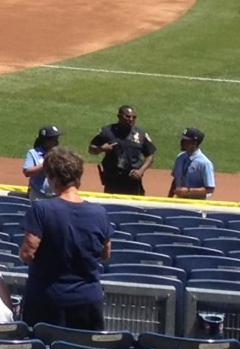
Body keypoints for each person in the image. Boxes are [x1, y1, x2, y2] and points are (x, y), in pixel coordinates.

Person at [19, 147, 112, 330]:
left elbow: (27, 254)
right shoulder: (100, 213)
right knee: (83, 346)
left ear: (52, 177)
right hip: (88, 299)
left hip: (47, 300)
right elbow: (106, 254)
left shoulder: (41, 209)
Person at [89, 105, 155, 195]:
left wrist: (140, 171)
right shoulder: (107, 131)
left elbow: (150, 155)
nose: (131, 119)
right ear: (119, 116)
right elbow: (91, 149)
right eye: (128, 116)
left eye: (134, 117)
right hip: (113, 179)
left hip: (133, 179)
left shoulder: (140, 134)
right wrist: (101, 149)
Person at [168, 127, 215, 201]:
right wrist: (169, 199)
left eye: (185, 140)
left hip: (197, 204)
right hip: (179, 201)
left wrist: (188, 191)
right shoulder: (180, 157)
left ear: (194, 143)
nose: (181, 142)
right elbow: (176, 179)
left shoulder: (205, 163)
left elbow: (210, 189)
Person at [22, 125, 61, 197]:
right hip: (37, 194)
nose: (57, 142)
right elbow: (27, 172)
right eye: (54, 139)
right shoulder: (33, 153)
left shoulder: (61, 154)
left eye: (57, 138)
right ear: (45, 140)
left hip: (56, 194)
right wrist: (45, 164)